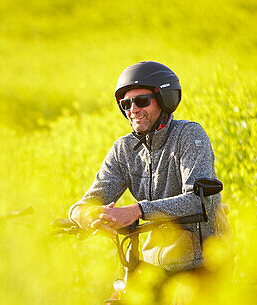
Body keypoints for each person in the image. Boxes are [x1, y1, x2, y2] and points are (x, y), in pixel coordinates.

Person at [64, 61, 226, 275]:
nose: (133, 110)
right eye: (126, 104)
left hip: (202, 263)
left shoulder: (189, 136)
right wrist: (84, 216)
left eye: (141, 101)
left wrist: (137, 210)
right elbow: (89, 202)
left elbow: (199, 201)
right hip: (152, 266)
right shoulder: (124, 149)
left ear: (163, 100)